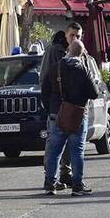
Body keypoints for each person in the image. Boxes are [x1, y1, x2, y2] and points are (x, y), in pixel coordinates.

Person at [43, 40, 98, 196]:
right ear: (81, 54)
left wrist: (51, 109)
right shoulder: (83, 70)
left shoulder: (55, 68)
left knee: (54, 151)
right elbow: (93, 93)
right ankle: (77, 186)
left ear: (68, 50)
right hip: (77, 115)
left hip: (56, 114)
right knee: (77, 151)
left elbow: (44, 91)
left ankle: (50, 184)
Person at [40, 22, 87, 189]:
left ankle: (64, 175)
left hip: (74, 109)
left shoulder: (82, 54)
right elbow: (45, 81)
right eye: (72, 35)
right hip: (58, 108)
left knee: (68, 147)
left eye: (78, 36)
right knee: (55, 146)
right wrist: (51, 106)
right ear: (66, 35)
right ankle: (51, 178)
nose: (75, 39)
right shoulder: (55, 51)